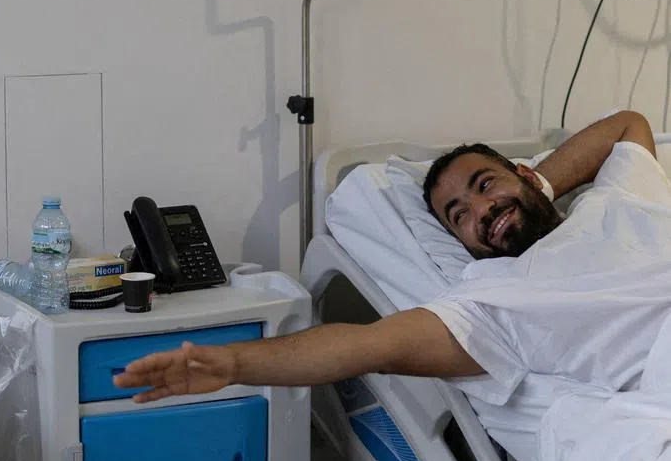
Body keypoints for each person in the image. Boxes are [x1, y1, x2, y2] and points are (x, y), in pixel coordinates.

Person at [113, 110, 667, 416]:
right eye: (459, 215)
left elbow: (629, 124)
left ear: (524, 174)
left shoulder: (617, 202)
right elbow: (367, 345)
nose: (480, 210)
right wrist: (235, 363)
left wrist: (536, 187)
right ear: (463, 243)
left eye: (485, 185)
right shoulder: (493, 297)